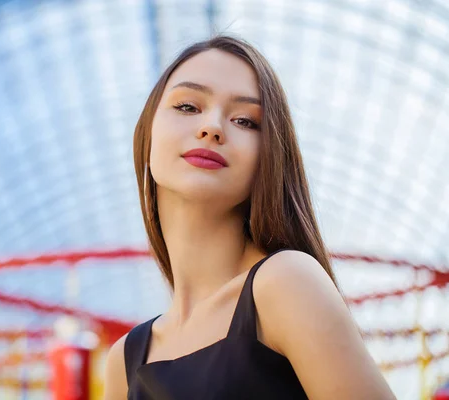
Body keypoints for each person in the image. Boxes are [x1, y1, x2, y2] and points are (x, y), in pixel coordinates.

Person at [103, 34, 396, 399]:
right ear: (146, 134)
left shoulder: (285, 283)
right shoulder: (125, 361)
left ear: (269, 157)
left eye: (244, 120)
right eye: (188, 107)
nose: (212, 128)